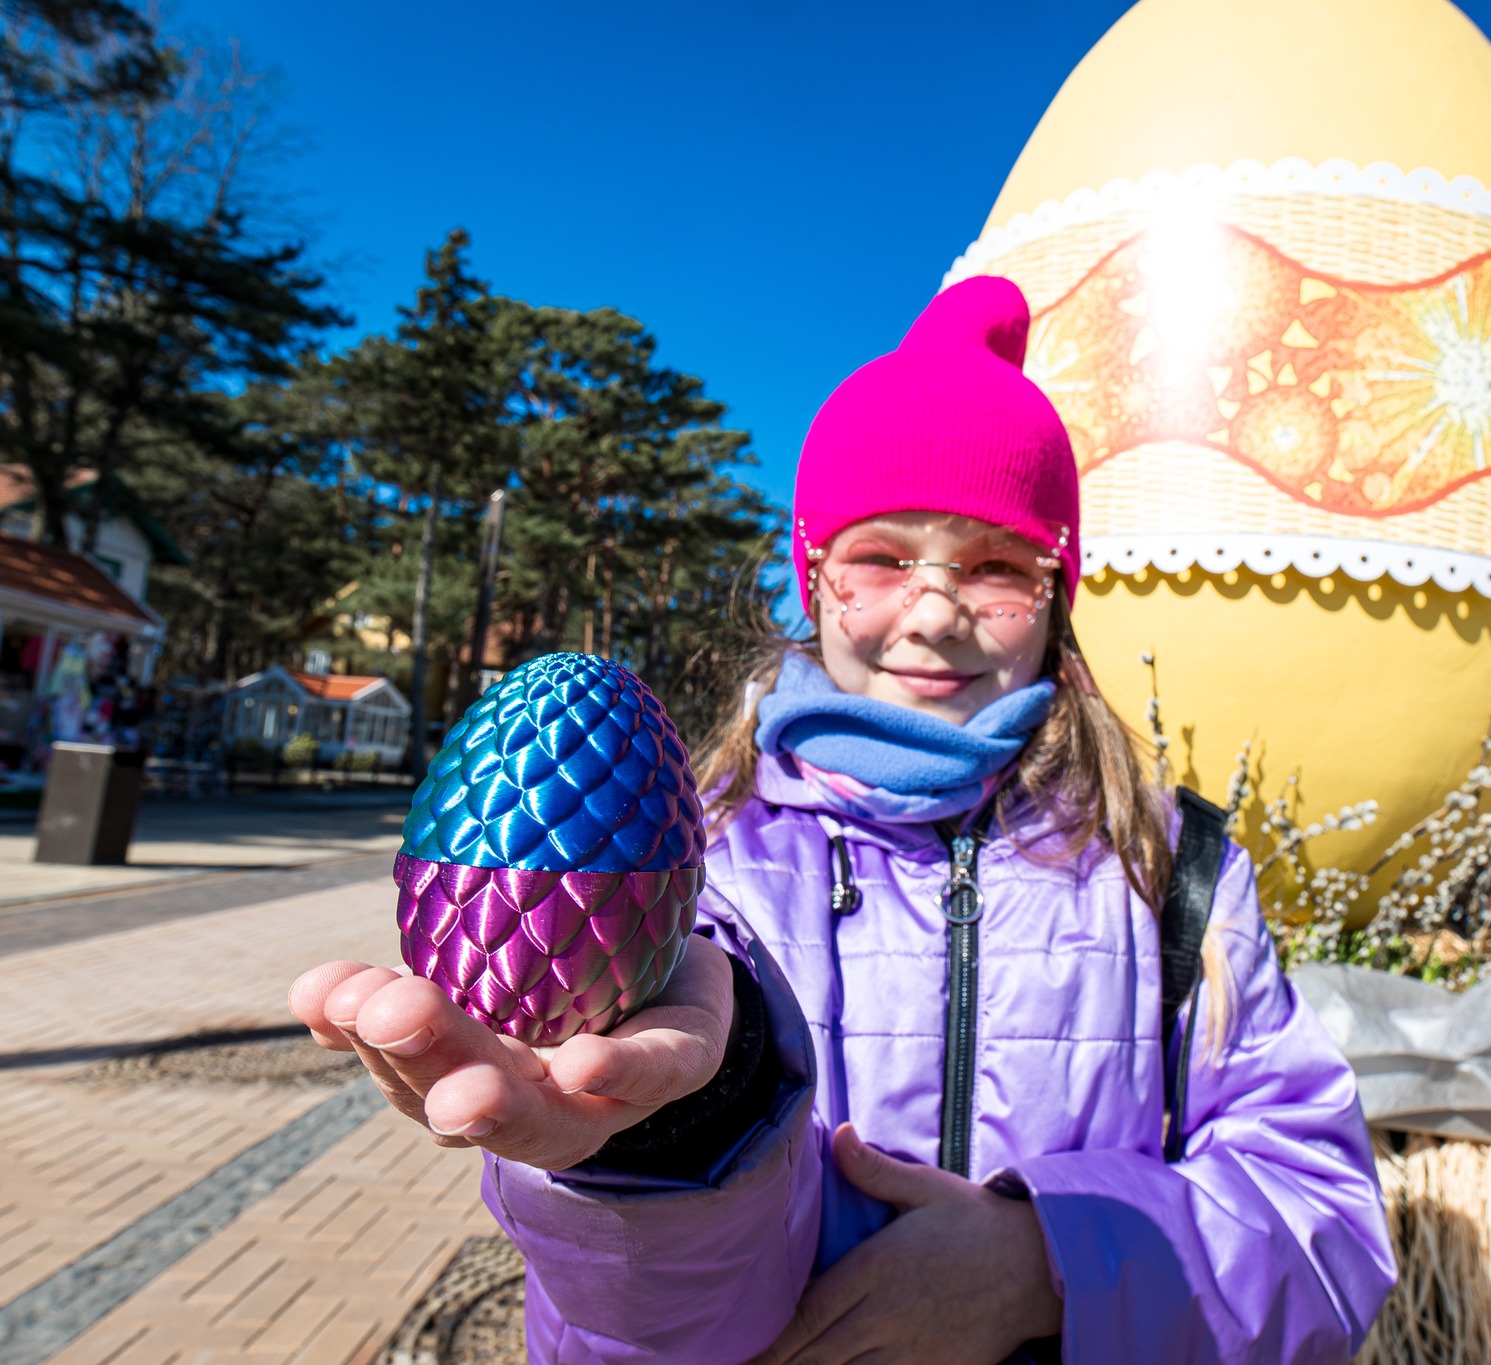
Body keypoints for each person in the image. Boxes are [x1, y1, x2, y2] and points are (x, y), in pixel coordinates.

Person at [292, 277, 1395, 1364]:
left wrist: (1049, 1261)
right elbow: (627, 1330)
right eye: (882, 559)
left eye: (997, 568)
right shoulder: (687, 860)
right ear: (813, 576)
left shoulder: (1169, 867)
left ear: (1055, 593)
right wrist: (672, 1137)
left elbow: (1325, 1223)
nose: (935, 610)